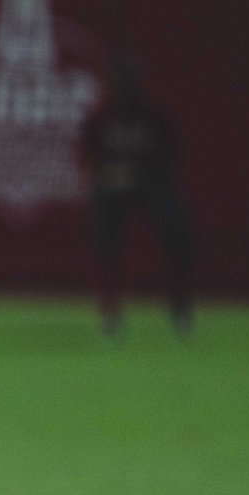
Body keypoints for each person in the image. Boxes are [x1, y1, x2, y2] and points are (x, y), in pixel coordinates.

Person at [79, 55, 196, 337]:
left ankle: (179, 306)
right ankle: (110, 311)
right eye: (117, 83)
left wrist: (138, 173)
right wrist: (108, 175)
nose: (123, 89)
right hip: (111, 187)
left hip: (151, 184)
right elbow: (88, 156)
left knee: (176, 230)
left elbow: (172, 153)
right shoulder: (100, 117)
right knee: (105, 241)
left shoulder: (155, 115)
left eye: (127, 82)